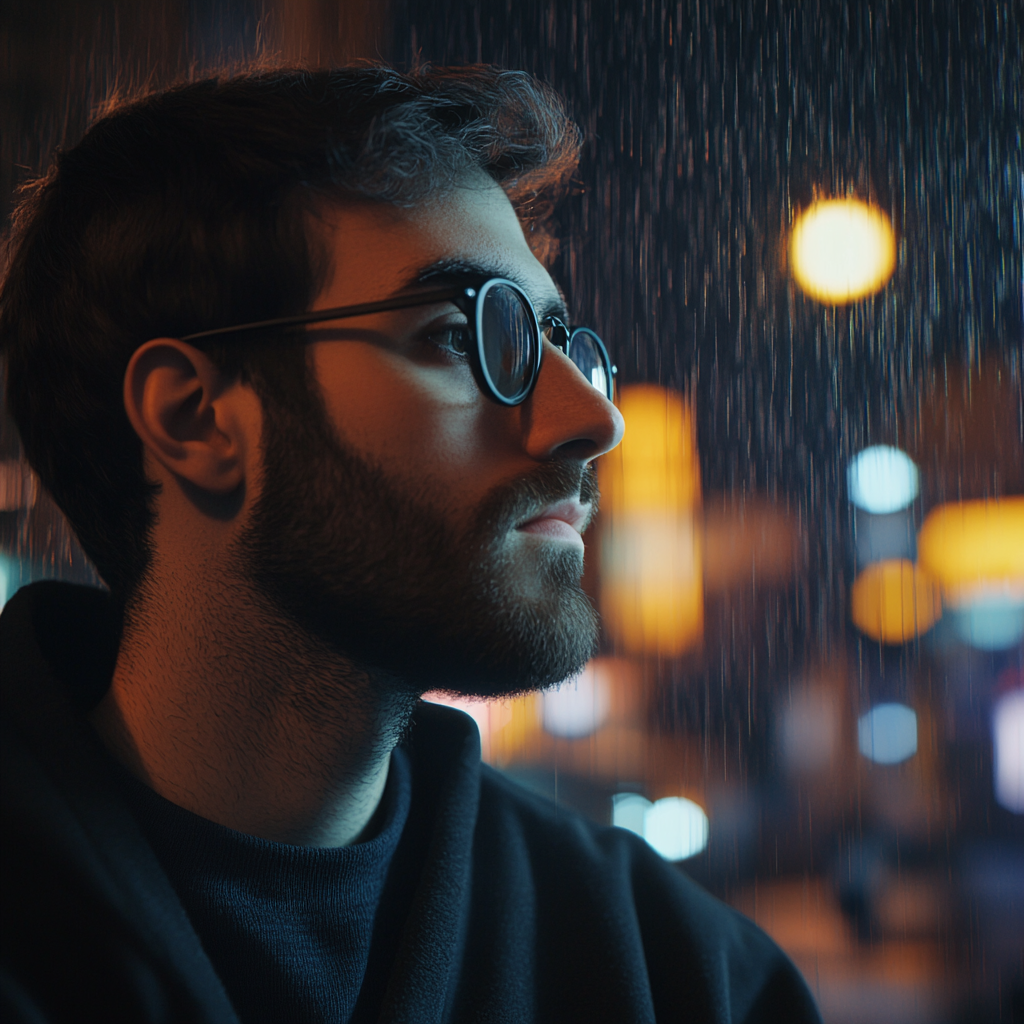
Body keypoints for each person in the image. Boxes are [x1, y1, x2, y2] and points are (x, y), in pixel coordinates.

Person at [0, 64, 821, 1023]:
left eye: (560, 340)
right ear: (196, 419)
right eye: (457, 334)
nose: (591, 418)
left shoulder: (672, 969)